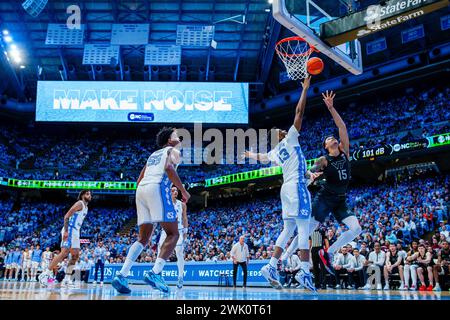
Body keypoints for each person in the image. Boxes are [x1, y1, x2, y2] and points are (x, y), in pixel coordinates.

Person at [244, 76, 320, 292]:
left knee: (288, 229)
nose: (285, 131)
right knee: (303, 228)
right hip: (295, 187)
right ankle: (305, 272)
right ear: (284, 135)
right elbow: (299, 112)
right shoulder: (291, 140)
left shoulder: (276, 151)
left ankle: (270, 266)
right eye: (282, 131)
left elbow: (262, 158)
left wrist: (250, 154)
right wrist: (305, 89)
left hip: (287, 187)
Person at [112, 127, 190, 294]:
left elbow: (140, 179)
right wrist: (183, 191)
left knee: (143, 238)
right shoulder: (173, 150)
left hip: (141, 191)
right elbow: (169, 169)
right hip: (157, 187)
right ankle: (155, 272)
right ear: (169, 140)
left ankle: (122, 274)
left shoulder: (153, 155)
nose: (179, 137)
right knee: (173, 234)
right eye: (176, 135)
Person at [306, 91, 362, 276]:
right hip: (325, 197)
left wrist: (331, 107)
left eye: (333, 137)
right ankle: (288, 256)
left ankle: (329, 251)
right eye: (329, 139)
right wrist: (312, 175)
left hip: (340, 199)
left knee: (356, 229)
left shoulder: (344, 151)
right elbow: (313, 169)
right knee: (309, 229)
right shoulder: (323, 159)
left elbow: (342, 127)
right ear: (326, 146)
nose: (333, 138)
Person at [38, 190, 92, 288]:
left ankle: (67, 279)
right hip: (70, 230)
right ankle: (45, 274)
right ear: (83, 195)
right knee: (64, 253)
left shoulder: (86, 207)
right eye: (88, 194)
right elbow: (66, 216)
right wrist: (66, 231)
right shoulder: (79, 203)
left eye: (90, 194)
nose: (90, 196)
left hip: (76, 232)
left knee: (75, 256)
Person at [157, 186, 188, 289]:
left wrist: (185, 231)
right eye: (173, 190)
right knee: (160, 252)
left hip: (178, 230)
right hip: (166, 231)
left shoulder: (182, 205)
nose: (175, 192)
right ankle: (158, 274)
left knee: (179, 252)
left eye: (176, 190)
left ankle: (180, 277)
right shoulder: (164, 204)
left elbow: (184, 218)